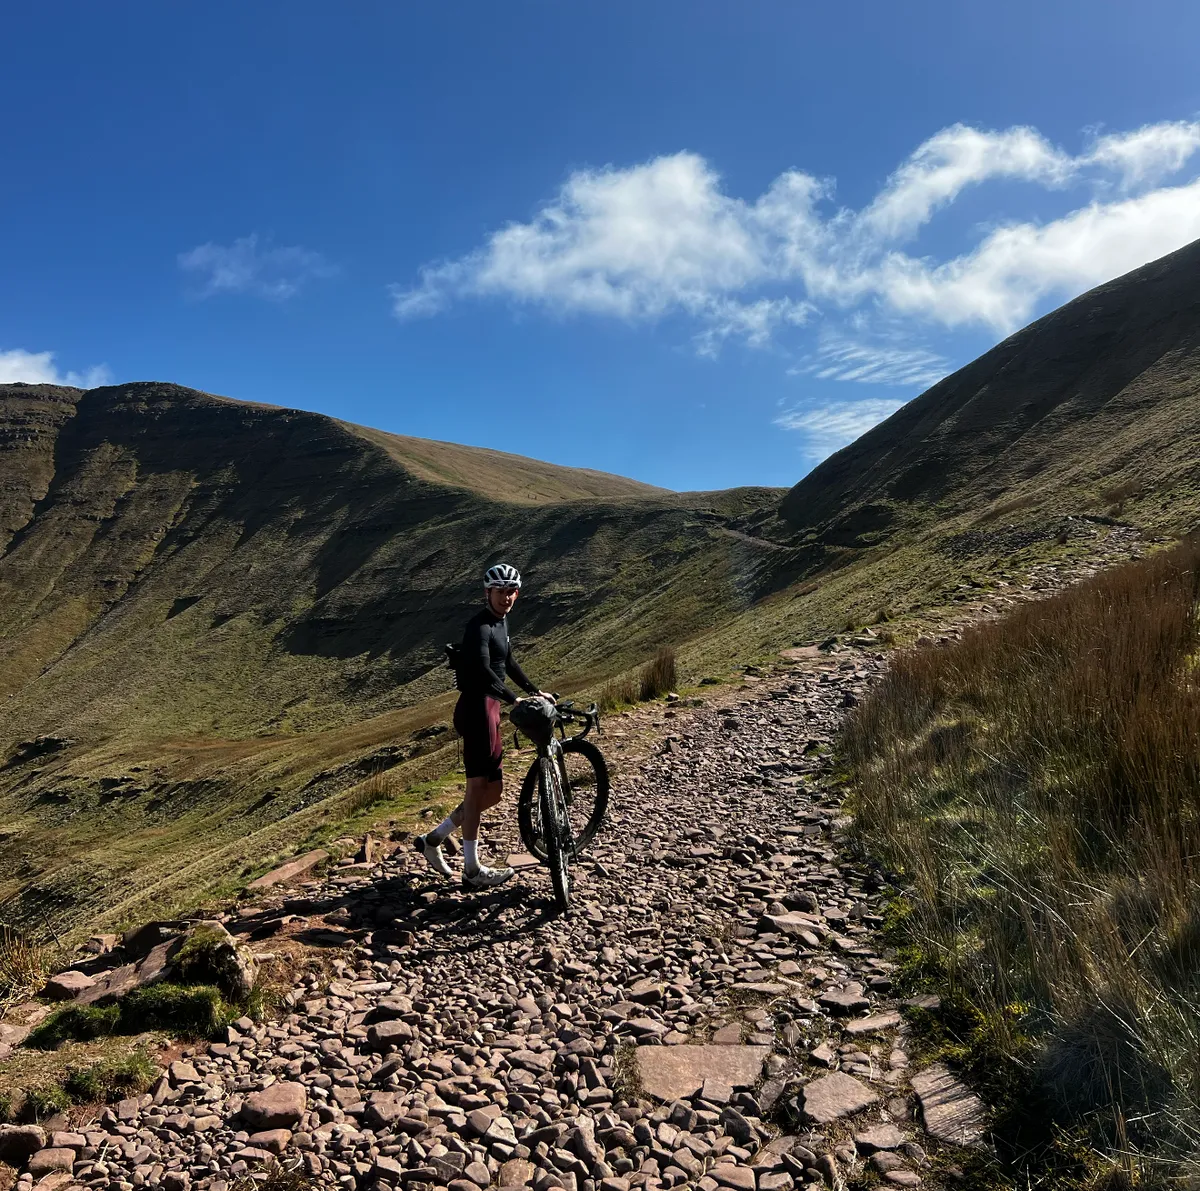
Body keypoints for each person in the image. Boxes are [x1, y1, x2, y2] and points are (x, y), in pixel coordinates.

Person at [415, 563, 552, 889]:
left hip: (489, 710)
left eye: (511, 591)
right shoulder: (479, 627)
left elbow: (508, 661)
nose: (507, 597)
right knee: (477, 789)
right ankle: (472, 869)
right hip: (476, 710)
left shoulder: (501, 623)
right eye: (500, 591)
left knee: (493, 793)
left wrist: (534, 690)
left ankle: (433, 840)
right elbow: (482, 669)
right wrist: (513, 699)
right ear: (487, 592)